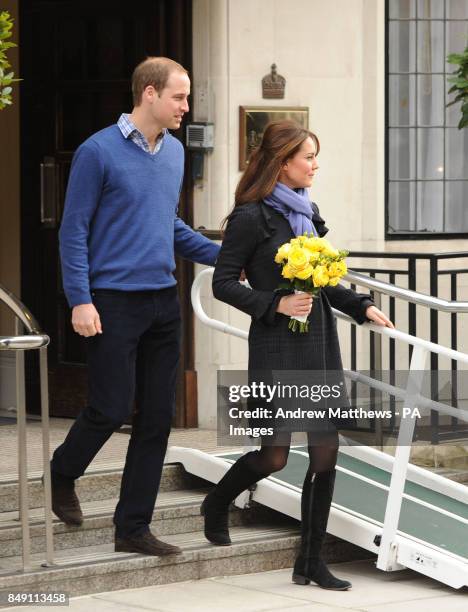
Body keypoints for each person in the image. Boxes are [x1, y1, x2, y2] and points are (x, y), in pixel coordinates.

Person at [202, 120, 393, 590]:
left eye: (315, 157)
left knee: (326, 454)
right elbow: (222, 282)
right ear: (282, 162)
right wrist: (276, 302)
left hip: (319, 342)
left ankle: (309, 561)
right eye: (308, 157)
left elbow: (324, 281)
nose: (315, 165)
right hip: (276, 344)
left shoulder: (309, 212)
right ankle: (217, 500)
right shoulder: (251, 217)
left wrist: (361, 304)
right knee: (275, 457)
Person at [50, 57, 220, 556]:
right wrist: (80, 299)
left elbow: (170, 226)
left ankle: (132, 529)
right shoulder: (97, 151)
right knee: (110, 407)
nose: (186, 107)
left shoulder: (173, 153)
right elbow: (73, 232)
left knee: (157, 418)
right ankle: (62, 472)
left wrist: (229, 257)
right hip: (111, 301)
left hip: (162, 300)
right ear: (149, 93)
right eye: (179, 97)